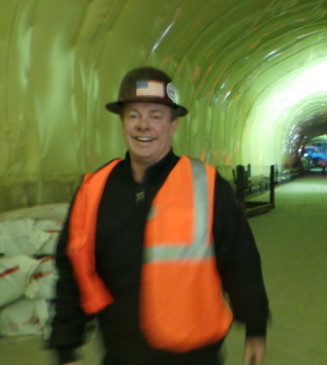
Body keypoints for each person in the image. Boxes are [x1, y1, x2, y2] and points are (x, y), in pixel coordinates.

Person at [47, 67, 270, 365]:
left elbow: (240, 259)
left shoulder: (205, 184)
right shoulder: (95, 189)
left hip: (195, 354)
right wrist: (66, 346)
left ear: (173, 125)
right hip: (121, 353)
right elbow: (73, 267)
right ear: (122, 122)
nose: (144, 126)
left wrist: (254, 325)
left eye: (155, 115)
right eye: (134, 115)